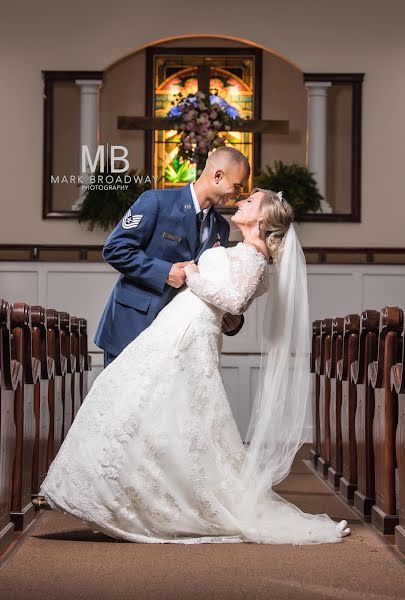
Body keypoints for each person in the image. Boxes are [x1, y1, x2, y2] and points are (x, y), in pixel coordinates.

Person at [38, 188, 351, 544]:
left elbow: (233, 301)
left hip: (188, 332)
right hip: (180, 325)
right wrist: (200, 274)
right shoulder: (244, 250)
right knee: (149, 408)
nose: (242, 201)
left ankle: (140, 500)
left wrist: (191, 274)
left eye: (250, 200)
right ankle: (123, 494)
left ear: (261, 220)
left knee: (152, 407)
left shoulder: (254, 255)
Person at [94, 146, 250, 367]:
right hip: (133, 326)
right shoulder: (156, 201)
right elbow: (115, 249)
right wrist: (165, 272)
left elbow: (211, 282)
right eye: (236, 186)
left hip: (177, 339)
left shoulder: (221, 228)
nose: (237, 195)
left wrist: (230, 317)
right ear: (218, 176)